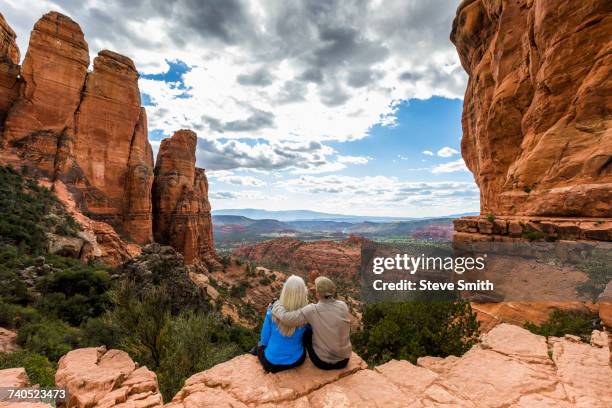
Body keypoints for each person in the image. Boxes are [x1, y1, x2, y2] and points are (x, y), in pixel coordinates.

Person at [272, 276, 351, 370]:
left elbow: (287, 318)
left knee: (306, 332)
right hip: (344, 360)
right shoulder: (343, 305)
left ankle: (296, 352)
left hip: (323, 362)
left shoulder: (312, 310)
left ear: (318, 294)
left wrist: (276, 304)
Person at [256, 275, 308, 373]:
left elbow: (264, 340)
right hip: (295, 361)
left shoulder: (272, 313)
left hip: (270, 363)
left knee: (259, 345)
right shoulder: (306, 316)